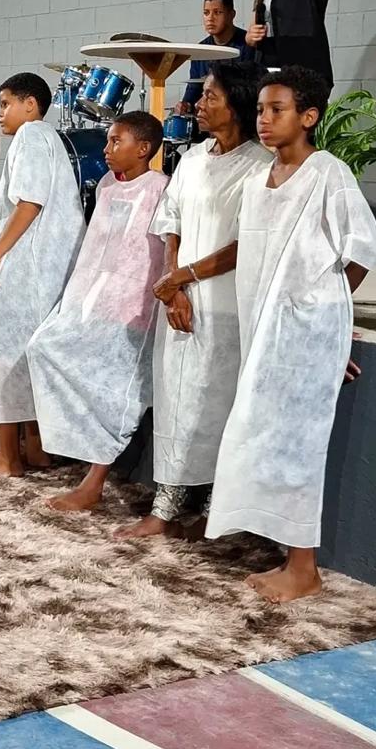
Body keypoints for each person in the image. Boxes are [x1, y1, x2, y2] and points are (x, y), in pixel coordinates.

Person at [206, 67, 376, 602]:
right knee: (265, 438)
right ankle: (284, 551)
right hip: (266, 335)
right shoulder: (259, 181)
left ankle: (304, 569)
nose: (263, 118)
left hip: (304, 336)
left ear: (309, 117)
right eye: (260, 108)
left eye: (277, 109)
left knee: (299, 448)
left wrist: (323, 319)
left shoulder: (327, 173)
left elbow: (363, 250)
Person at [117, 62, 272, 538]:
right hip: (180, 303)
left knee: (216, 406)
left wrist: (184, 276)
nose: (199, 104)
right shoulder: (192, 159)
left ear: (238, 104)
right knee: (174, 401)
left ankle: (212, 509)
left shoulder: (262, 166)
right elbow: (172, 223)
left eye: (211, 96)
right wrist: (172, 285)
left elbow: (249, 241)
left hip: (227, 307)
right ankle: (164, 506)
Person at [28, 112, 167, 512]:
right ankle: (62, 448)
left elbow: (156, 251)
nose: (105, 150)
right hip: (90, 299)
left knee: (115, 395)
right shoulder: (106, 185)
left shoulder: (160, 188)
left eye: (115, 142)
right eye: (107, 141)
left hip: (130, 307)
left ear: (142, 149)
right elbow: (94, 247)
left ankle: (95, 481)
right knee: (44, 348)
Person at [0, 72, 86, 479]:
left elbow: (29, 201)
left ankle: (8, 455)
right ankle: (35, 449)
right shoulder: (48, 138)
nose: (0, 113)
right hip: (42, 267)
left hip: (25, 266)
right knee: (28, 355)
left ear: (30, 104)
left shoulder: (32, 136)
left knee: (7, 354)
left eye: (5, 104)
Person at [176, 0, 252, 113]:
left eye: (217, 12)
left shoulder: (247, 44)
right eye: (206, 13)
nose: (210, 18)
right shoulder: (200, 49)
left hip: (239, 114)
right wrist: (186, 104)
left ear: (231, 15)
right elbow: (194, 87)